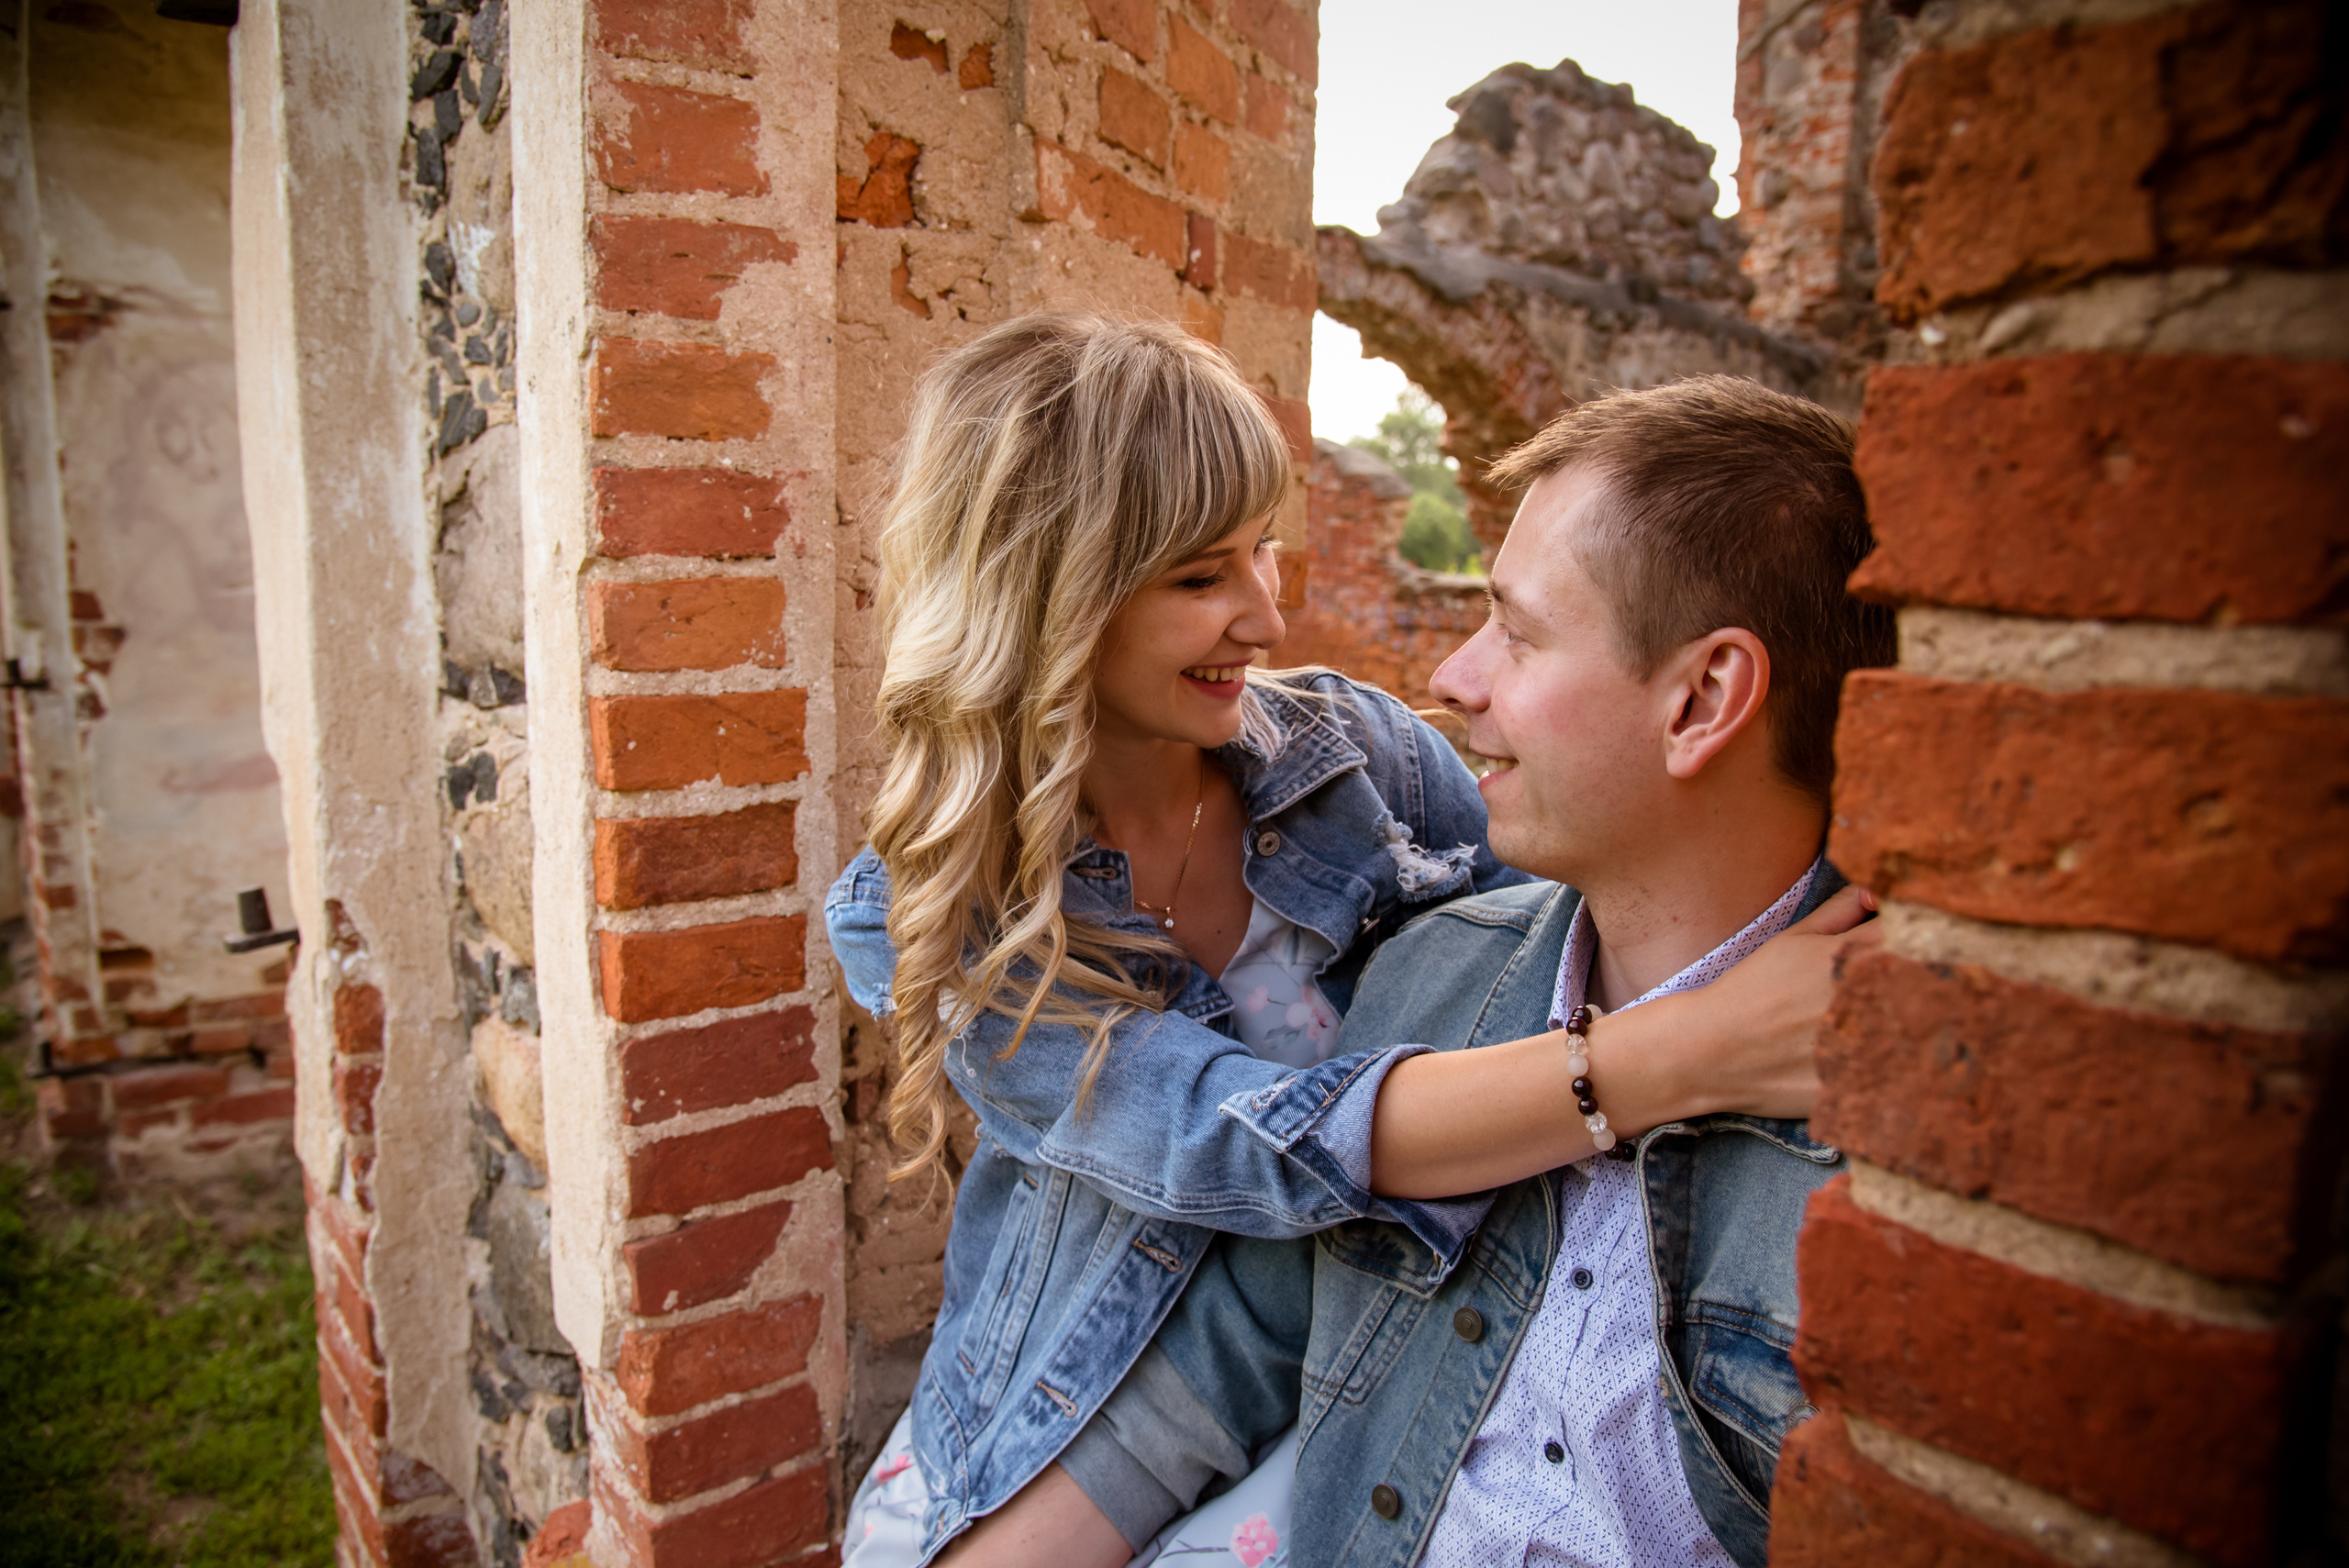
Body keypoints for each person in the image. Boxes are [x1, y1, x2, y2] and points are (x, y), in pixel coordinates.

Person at [824, 319, 1867, 1567]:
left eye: (1263, 550)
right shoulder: (938, 905)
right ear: (1052, 598)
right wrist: (1680, 1050)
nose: (1269, 615)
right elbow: (1238, 1146)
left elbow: (1557, 936)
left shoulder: (1352, 759)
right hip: (1064, 1404)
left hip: (1347, 1363)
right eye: (1203, 577)